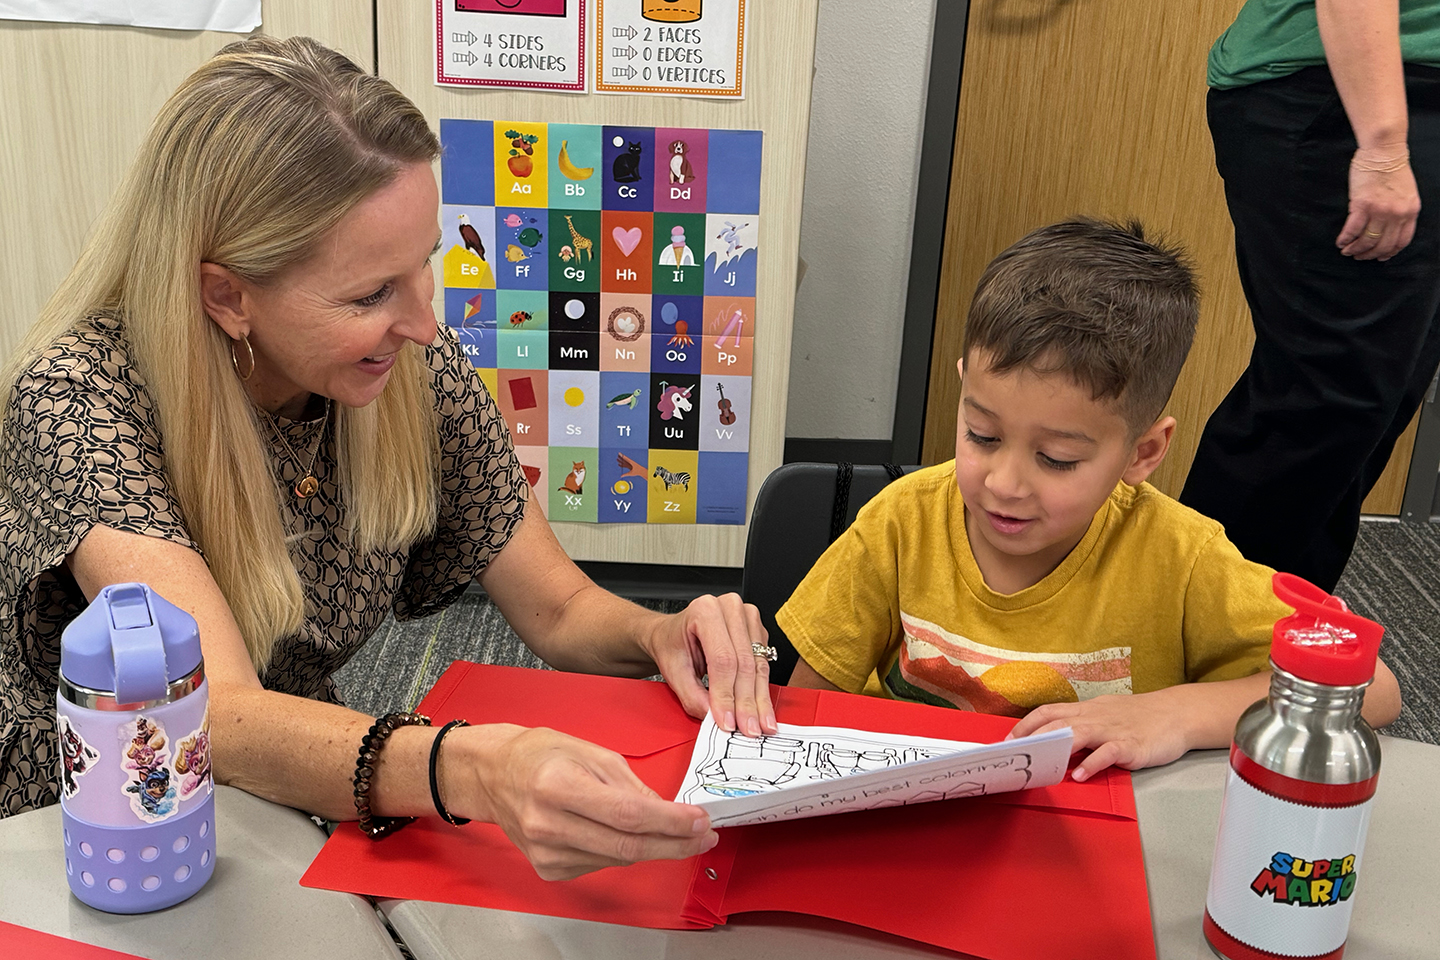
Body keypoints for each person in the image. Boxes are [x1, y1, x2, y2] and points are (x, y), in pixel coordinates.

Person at [0, 36, 779, 880]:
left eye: (424, 266)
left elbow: (555, 610)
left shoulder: (410, 364)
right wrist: (475, 766)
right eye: (371, 293)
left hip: (292, 778)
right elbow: (213, 715)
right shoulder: (80, 400)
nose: (421, 321)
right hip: (95, 822)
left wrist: (661, 632)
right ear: (227, 295)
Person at [781, 219, 1401, 781]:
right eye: (982, 435)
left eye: (1057, 459)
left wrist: (1173, 714)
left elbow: (1374, 689)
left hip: (1088, 840)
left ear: (1142, 453)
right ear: (964, 383)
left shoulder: (1181, 558)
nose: (1005, 483)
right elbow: (800, 718)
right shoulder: (901, 521)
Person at [1181, 1, 1440, 591]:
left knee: (1377, 402)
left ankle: (1277, 629)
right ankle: (1179, 628)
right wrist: (1381, 146)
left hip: (1407, 95)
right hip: (1342, 94)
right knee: (1319, 400)